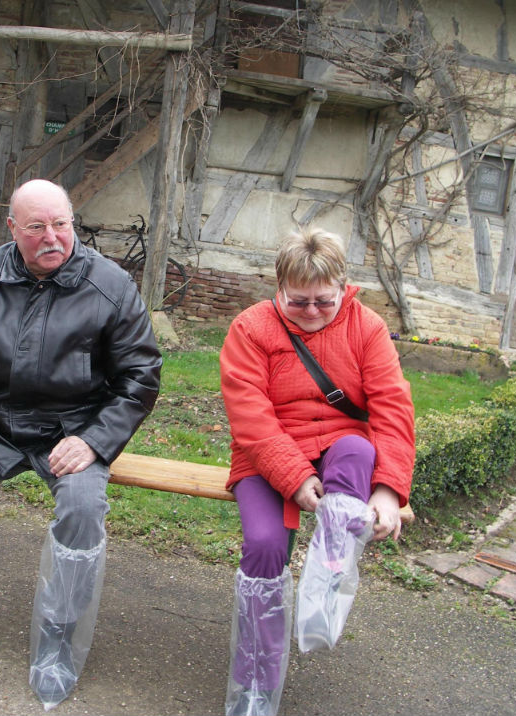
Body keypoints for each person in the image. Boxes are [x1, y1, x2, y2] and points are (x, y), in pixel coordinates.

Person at [0, 179, 162, 709]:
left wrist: (94, 441)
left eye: (62, 224)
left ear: (73, 221)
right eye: (36, 227)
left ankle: (58, 641)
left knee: (82, 507)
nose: (53, 238)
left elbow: (140, 376)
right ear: (12, 229)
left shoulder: (111, 285)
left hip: (72, 430)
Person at [218, 227, 415, 716]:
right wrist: (294, 478)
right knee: (264, 546)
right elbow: (251, 416)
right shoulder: (251, 327)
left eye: (323, 302)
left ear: (343, 286)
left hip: (338, 451)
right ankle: (255, 679)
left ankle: (326, 579)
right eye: (298, 302)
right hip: (266, 454)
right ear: (279, 287)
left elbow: (392, 407)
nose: (310, 313)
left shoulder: (366, 327)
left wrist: (390, 492)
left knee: (355, 448)